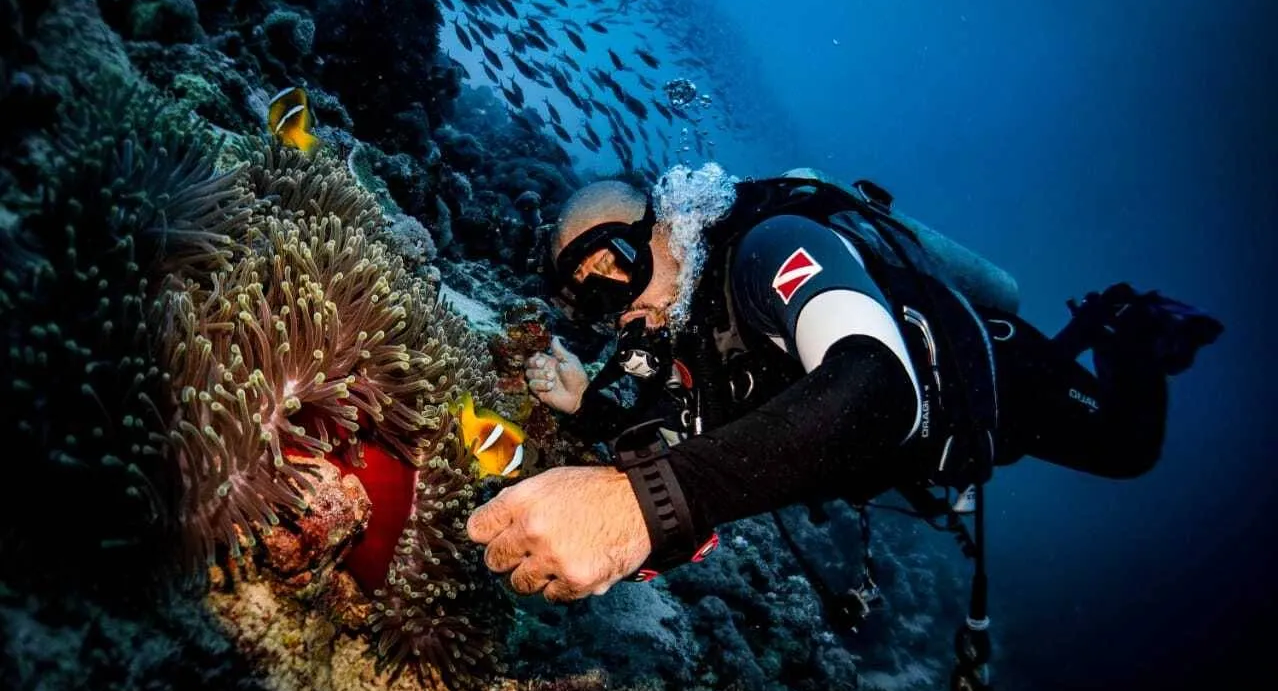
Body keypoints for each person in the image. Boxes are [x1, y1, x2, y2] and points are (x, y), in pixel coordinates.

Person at [464, 169, 1223, 604]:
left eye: (618, 263)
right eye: (588, 296)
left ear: (668, 227)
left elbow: (878, 384)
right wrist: (590, 405)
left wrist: (640, 503)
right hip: (932, 454)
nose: (616, 303)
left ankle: (1133, 329)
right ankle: (1094, 331)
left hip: (993, 381)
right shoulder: (690, 336)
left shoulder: (770, 249)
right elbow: (682, 434)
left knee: (1128, 448)